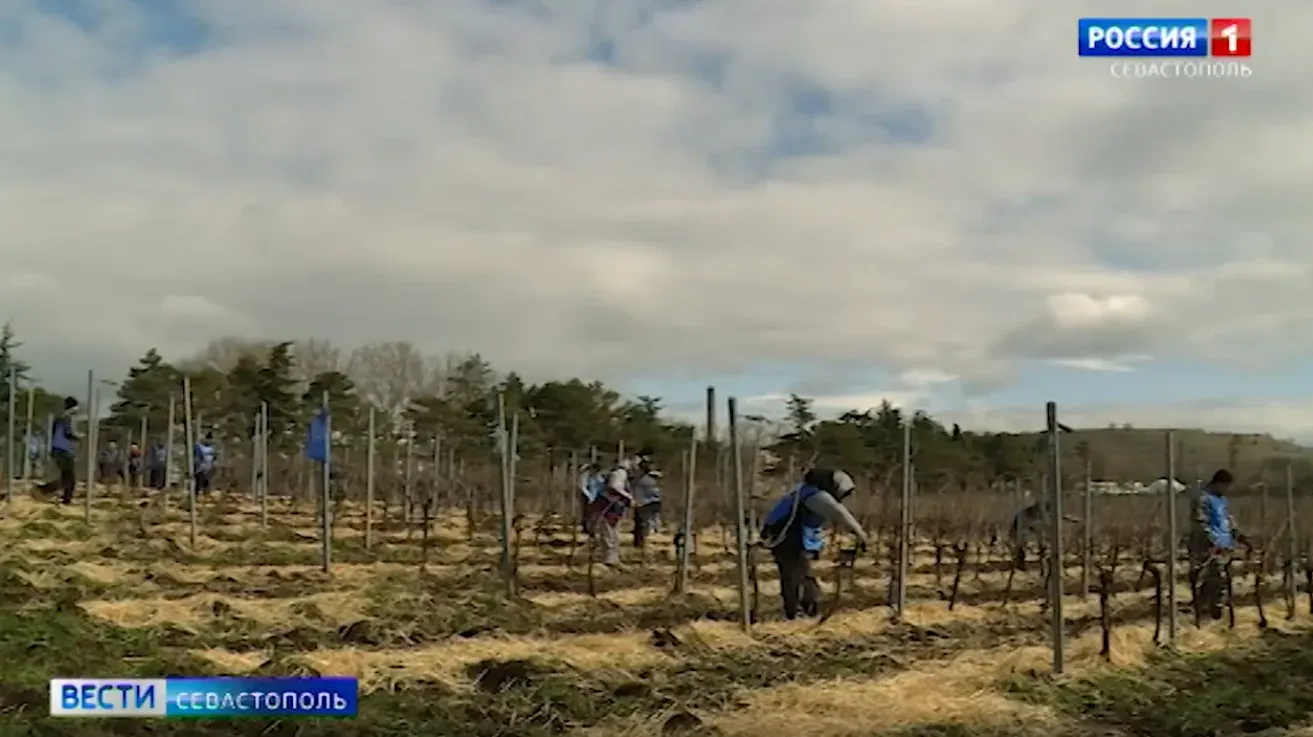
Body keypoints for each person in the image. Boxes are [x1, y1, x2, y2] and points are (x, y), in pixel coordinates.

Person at [759, 468, 870, 619]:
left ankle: (807, 611)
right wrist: (861, 535)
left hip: (790, 539)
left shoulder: (804, 491)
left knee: (803, 576)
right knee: (795, 577)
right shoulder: (815, 496)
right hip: (788, 540)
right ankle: (796, 614)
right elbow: (839, 513)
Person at [1188, 469, 1244, 620]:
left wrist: (1237, 534)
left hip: (1223, 544)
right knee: (1217, 577)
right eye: (1225, 486)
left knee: (1216, 578)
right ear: (1218, 483)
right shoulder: (1203, 499)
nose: (1227, 490)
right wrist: (1210, 539)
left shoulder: (1222, 500)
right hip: (1208, 546)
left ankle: (1206, 606)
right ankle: (1214, 609)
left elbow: (1227, 519)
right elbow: (1199, 522)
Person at [585, 456, 635, 566]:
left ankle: (613, 558)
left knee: (613, 533)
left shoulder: (622, 475)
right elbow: (614, 486)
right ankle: (609, 559)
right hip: (608, 507)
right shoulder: (620, 473)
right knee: (608, 533)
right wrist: (629, 497)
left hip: (615, 508)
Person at [40, 397, 80, 505]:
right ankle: (45, 490)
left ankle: (65, 497)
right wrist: (79, 437)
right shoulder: (66, 418)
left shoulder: (60, 418)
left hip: (59, 449)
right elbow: (68, 433)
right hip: (63, 450)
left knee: (66, 475)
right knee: (69, 477)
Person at [630, 448, 662, 551]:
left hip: (646, 501)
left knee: (645, 522)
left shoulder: (646, 477)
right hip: (644, 501)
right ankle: (641, 543)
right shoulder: (642, 475)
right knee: (643, 523)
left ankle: (643, 543)